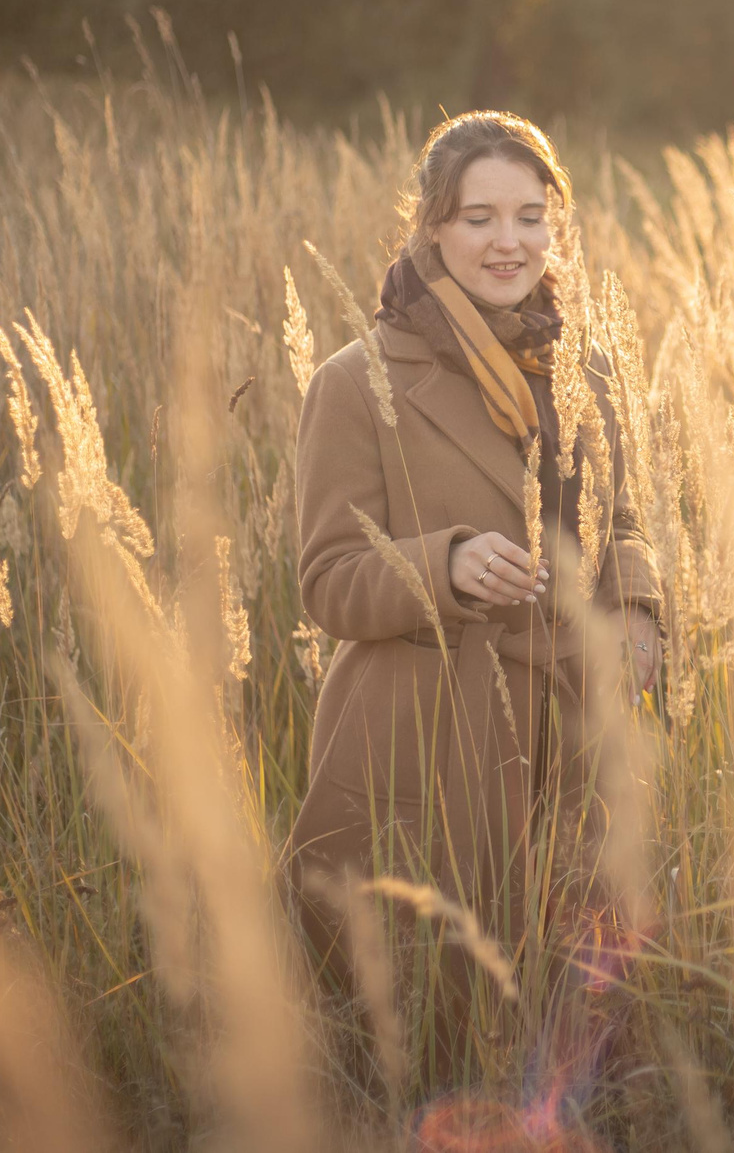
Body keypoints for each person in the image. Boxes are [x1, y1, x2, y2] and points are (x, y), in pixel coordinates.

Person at [282, 110, 663, 980]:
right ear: (432, 226)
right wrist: (444, 564)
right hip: (427, 733)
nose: (508, 242)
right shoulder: (354, 380)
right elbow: (328, 579)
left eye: (530, 216)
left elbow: (620, 517)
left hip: (571, 728)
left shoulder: (585, 367)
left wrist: (638, 610)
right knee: (416, 997)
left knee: (571, 988)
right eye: (479, 217)